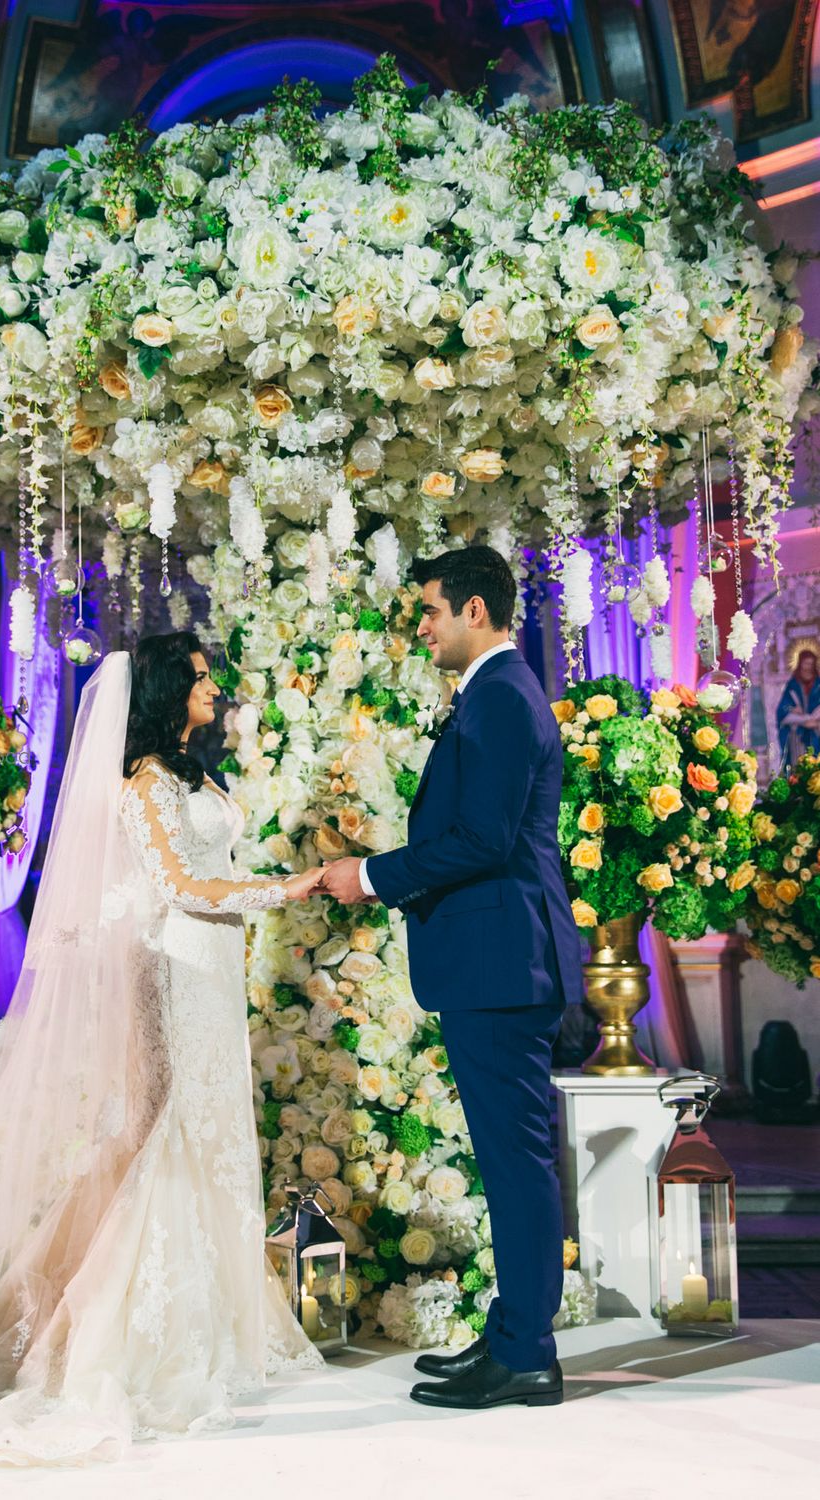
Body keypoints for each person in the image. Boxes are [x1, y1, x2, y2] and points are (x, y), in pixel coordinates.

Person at [0, 633, 324, 1467]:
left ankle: (222, 1321)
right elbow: (179, 888)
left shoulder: (194, 775)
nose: (211, 690)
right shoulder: (143, 786)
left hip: (214, 971)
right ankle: (133, 1337)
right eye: (198, 680)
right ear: (166, 692)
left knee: (214, 1130)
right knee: (168, 1136)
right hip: (174, 966)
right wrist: (289, 887)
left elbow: (211, 866)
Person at [321, 545, 582, 1412]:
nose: (423, 626)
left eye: (431, 610)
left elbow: (483, 840)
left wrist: (370, 875)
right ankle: (514, 1336)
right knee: (512, 1160)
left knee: (517, 1163)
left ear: (476, 610)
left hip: (504, 962)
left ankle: (528, 1353)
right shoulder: (494, 696)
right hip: (495, 960)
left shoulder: (503, 698)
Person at [776, 647, 820, 767]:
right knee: (799, 768)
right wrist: (793, 710)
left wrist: (815, 722)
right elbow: (782, 710)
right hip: (797, 735)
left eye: (811, 664)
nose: (808, 667)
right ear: (800, 664)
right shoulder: (793, 685)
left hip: (817, 732)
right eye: (806, 663)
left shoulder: (818, 684)